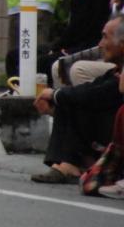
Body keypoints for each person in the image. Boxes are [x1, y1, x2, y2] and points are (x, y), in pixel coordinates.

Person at [31, 17, 123, 184]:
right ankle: (67, 162)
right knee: (70, 98)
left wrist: (54, 95)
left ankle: (75, 163)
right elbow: (92, 89)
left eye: (105, 37)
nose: (100, 44)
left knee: (76, 98)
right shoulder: (116, 71)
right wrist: (56, 102)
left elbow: (99, 94)